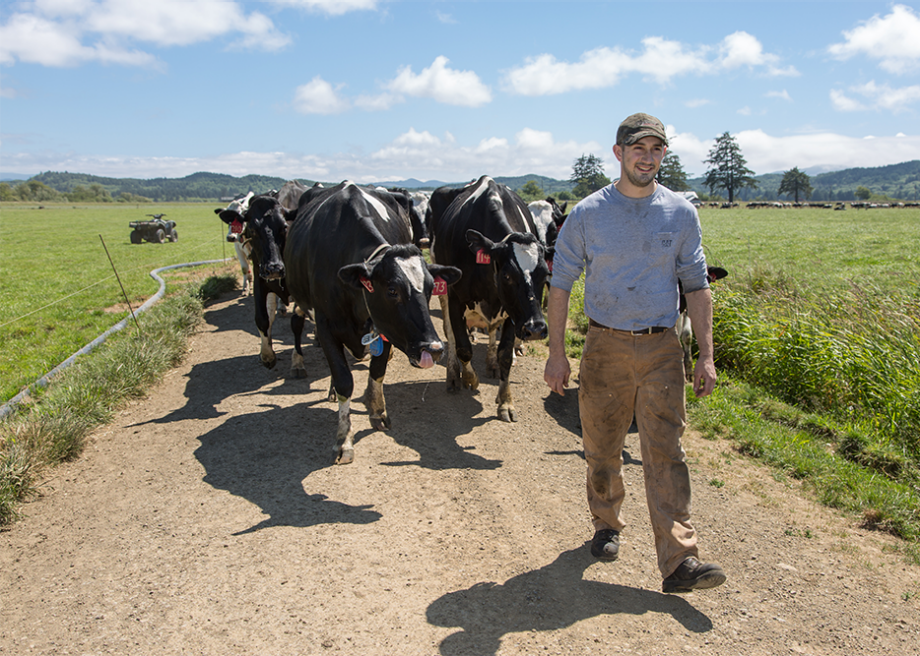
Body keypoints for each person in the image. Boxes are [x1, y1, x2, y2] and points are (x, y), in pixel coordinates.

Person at [543, 112, 726, 593]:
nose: (647, 158)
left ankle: (680, 560)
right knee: (602, 448)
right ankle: (606, 524)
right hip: (604, 346)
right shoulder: (587, 213)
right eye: (638, 149)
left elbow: (697, 286)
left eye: (656, 149)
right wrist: (556, 352)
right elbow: (560, 284)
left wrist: (705, 355)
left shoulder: (681, 213)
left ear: (664, 154)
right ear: (619, 153)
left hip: (663, 347)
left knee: (666, 450)